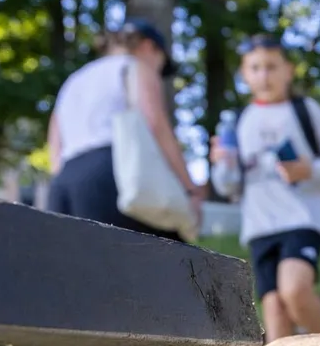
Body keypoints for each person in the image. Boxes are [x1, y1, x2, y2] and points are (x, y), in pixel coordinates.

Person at [210, 34, 320, 341]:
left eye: (272, 67)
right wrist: (221, 163)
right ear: (244, 74)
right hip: (260, 227)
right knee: (273, 309)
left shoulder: (306, 110)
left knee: (295, 291)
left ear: (288, 70)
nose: (264, 76)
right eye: (255, 68)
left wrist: (309, 169)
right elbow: (228, 185)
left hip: (304, 218)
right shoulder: (237, 121)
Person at [45, 18, 203, 239]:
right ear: (149, 46)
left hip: (65, 183)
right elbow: (155, 124)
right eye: (160, 63)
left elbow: (55, 143)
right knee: (168, 257)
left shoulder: (74, 80)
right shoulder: (134, 66)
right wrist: (189, 189)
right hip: (111, 173)